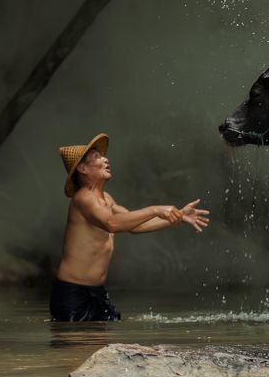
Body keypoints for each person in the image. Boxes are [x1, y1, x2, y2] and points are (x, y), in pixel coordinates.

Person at [50, 132, 210, 321]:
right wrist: (156, 209)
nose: (105, 159)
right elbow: (111, 224)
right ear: (83, 168)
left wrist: (180, 216)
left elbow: (135, 225)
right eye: (97, 157)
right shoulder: (84, 198)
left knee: (97, 346)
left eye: (102, 156)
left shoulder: (107, 199)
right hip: (72, 293)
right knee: (77, 349)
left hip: (97, 291)